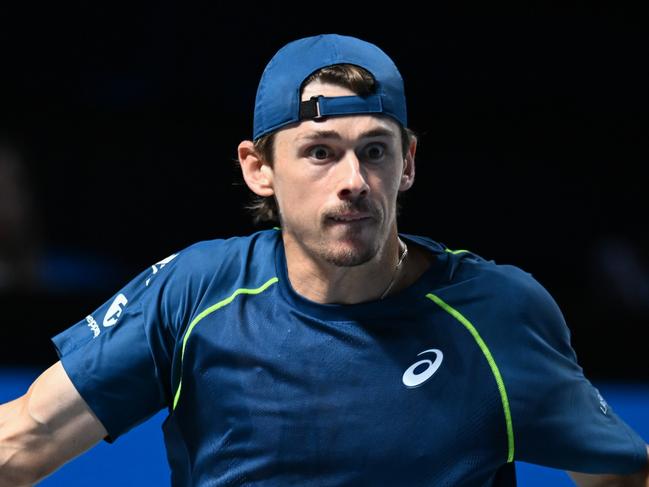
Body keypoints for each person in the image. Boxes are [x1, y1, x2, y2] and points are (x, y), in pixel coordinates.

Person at [0, 33, 647, 487]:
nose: (353, 180)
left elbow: (621, 474)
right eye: (319, 151)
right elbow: (20, 443)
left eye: (374, 150)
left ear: (408, 163)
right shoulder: (193, 294)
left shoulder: (497, 312)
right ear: (258, 168)